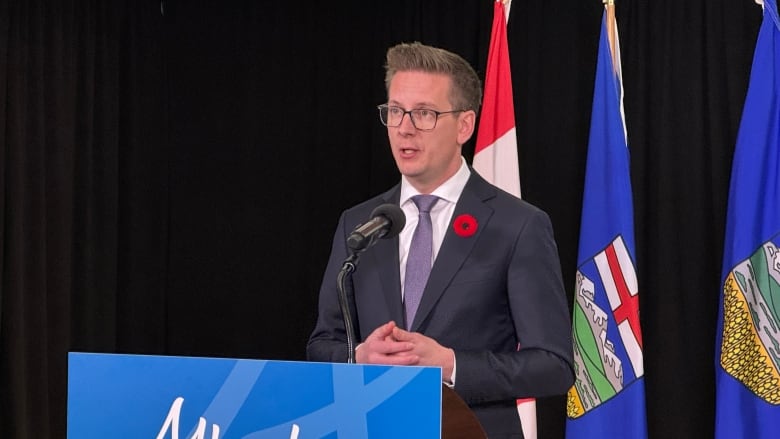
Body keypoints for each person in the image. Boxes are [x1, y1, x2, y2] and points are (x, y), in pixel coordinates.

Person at [307, 41, 574, 438]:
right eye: (395, 111)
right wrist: (359, 356)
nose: (404, 127)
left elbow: (553, 366)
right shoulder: (359, 224)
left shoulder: (517, 226)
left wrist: (450, 364)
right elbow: (321, 345)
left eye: (425, 113)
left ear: (464, 125)